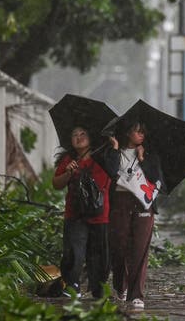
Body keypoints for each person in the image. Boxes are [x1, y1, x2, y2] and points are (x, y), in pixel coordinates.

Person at [52, 126, 119, 298]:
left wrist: (115, 149)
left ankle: (98, 289)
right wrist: (68, 172)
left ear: (91, 137)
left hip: (99, 213)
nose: (79, 137)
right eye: (75, 134)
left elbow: (114, 172)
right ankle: (72, 285)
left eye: (83, 134)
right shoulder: (68, 159)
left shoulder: (103, 155)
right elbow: (56, 184)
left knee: (99, 255)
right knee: (74, 252)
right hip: (75, 213)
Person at [107, 121, 165, 309]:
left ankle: (136, 294)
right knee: (119, 246)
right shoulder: (114, 152)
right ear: (127, 133)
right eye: (136, 131)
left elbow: (157, 179)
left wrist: (142, 159)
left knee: (140, 249)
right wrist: (115, 149)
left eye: (143, 132)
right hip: (119, 202)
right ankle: (120, 287)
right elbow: (109, 170)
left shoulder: (150, 155)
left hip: (143, 204)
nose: (140, 135)